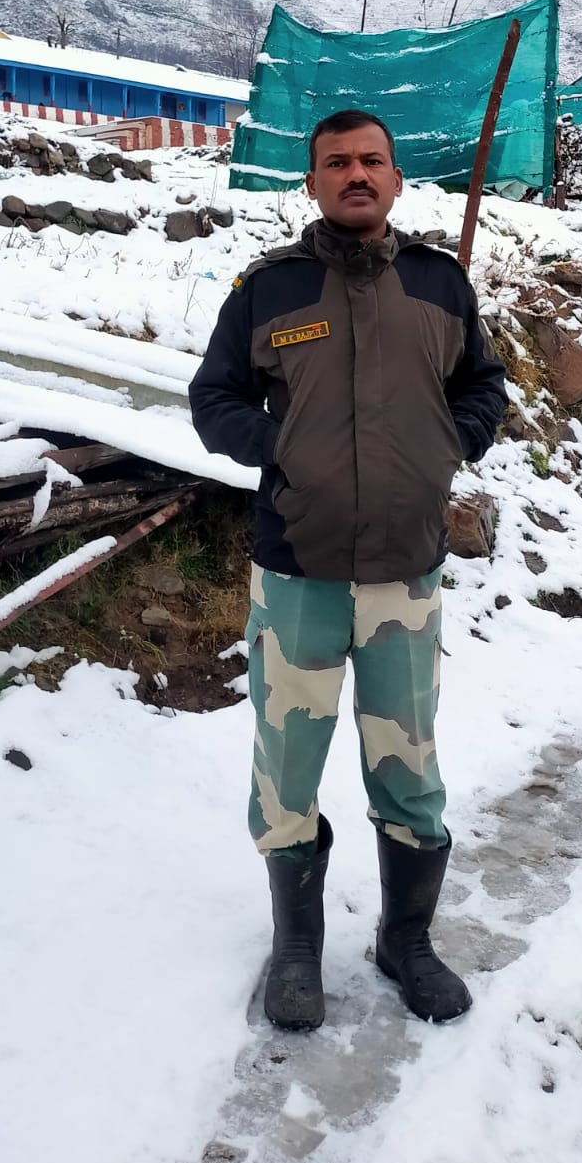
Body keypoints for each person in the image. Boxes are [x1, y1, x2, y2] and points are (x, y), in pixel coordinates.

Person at [189, 109, 507, 1031]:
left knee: (408, 766)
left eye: (372, 160)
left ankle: (405, 940)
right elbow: (214, 398)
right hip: (298, 573)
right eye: (337, 162)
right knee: (287, 767)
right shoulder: (267, 290)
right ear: (313, 181)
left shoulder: (440, 285)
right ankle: (296, 947)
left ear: (397, 179)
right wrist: (283, 446)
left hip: (405, 574)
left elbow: (481, 383)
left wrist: (459, 436)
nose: (356, 174)